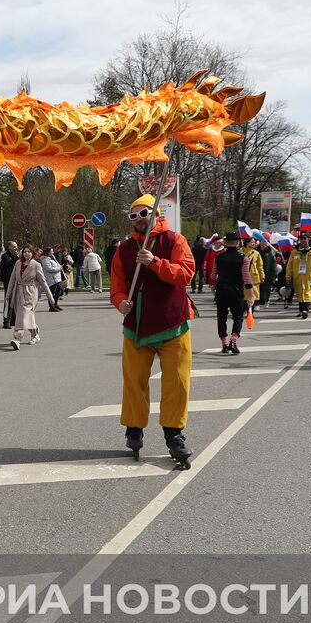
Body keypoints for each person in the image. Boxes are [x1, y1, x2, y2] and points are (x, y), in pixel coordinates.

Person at [109, 194, 196, 468]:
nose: (138, 220)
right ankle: (134, 429)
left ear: (156, 214)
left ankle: (174, 433)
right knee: (134, 381)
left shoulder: (174, 241)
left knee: (177, 383)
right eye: (133, 216)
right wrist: (120, 302)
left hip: (174, 324)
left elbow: (186, 274)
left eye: (143, 213)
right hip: (136, 327)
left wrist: (155, 263)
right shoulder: (123, 249)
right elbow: (117, 285)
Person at [4, 245, 56, 350]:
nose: (26, 253)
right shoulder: (18, 264)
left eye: (29, 252)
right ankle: (35, 334)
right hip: (18, 292)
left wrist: (50, 297)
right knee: (26, 315)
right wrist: (8, 294)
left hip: (30, 293)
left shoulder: (36, 265)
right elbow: (12, 279)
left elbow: (43, 282)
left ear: (32, 253)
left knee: (22, 315)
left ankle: (17, 338)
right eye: (25, 252)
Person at [212, 231, 255, 355]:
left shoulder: (218, 257)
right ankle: (233, 341)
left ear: (225, 243)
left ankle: (224, 344)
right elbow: (246, 277)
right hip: (236, 292)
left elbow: (213, 276)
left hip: (221, 291)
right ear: (237, 242)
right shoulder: (243, 258)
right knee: (238, 317)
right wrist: (251, 294)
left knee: (221, 318)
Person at [284, 235, 311, 319]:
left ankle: (305, 310)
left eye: (305, 239)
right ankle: (301, 310)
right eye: (301, 239)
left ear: (308, 240)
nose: (303, 241)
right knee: (300, 294)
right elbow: (290, 265)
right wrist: (288, 277)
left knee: (306, 294)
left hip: (309, 277)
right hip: (298, 277)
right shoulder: (294, 252)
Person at [0, 241, 20, 327]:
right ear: (9, 247)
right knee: (8, 300)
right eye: (14, 246)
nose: (16, 248)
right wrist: (17, 258)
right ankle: (6, 321)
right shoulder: (5, 256)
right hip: (8, 281)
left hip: (16, 281)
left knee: (15, 301)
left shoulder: (15, 256)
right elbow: (9, 264)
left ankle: (13, 319)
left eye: (16, 246)